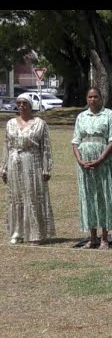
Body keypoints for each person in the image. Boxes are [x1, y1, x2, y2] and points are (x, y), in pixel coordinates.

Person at [71, 87, 112, 249]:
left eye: (96, 97)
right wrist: (80, 160)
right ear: (86, 99)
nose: (93, 99)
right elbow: (75, 141)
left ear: (101, 98)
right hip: (85, 163)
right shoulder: (81, 116)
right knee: (89, 196)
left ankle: (105, 237)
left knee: (104, 196)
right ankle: (92, 236)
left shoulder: (109, 114)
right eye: (90, 97)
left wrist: (101, 159)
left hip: (104, 161)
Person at [0, 94, 55, 244]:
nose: (21, 106)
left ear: (31, 105)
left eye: (25, 103)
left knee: (33, 196)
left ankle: (36, 233)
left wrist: (46, 167)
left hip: (32, 161)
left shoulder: (39, 123)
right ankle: (18, 232)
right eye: (19, 103)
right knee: (16, 197)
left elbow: (46, 147)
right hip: (14, 162)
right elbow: (7, 145)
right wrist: (3, 167)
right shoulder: (11, 123)